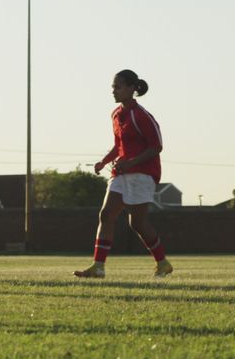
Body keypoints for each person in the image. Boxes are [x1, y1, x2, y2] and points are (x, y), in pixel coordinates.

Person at [73, 70, 172, 279]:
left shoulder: (142, 116)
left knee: (137, 224)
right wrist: (104, 161)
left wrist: (132, 163)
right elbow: (119, 146)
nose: (113, 91)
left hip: (142, 175)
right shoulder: (116, 114)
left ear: (131, 89)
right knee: (106, 215)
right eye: (112, 87)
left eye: (117, 87)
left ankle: (163, 263)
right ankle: (98, 267)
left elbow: (157, 147)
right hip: (121, 173)